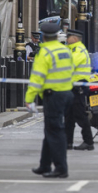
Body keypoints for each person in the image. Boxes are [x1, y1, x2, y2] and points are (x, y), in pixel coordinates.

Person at [26, 22, 74, 178]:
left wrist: (29, 98)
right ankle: (44, 165)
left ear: (43, 36)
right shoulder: (65, 50)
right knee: (51, 130)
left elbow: (37, 77)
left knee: (55, 131)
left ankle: (61, 168)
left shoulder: (45, 52)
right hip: (67, 94)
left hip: (53, 95)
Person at [65, 29, 94, 151]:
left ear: (75, 38)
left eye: (68, 37)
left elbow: (69, 64)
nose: (66, 39)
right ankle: (68, 143)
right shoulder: (72, 49)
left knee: (80, 115)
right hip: (72, 87)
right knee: (69, 117)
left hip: (79, 87)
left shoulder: (78, 50)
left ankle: (88, 142)